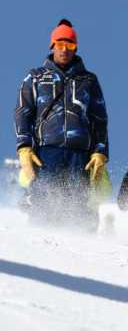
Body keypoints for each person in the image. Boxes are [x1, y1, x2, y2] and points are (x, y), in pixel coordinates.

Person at [14, 19, 108, 231]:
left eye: (70, 44)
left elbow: (100, 119)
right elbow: (22, 112)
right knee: (43, 200)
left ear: (76, 47)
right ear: (52, 45)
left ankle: (84, 242)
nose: (64, 49)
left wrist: (100, 151)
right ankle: (41, 242)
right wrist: (24, 147)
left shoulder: (88, 80)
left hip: (80, 154)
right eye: (60, 44)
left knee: (80, 204)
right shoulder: (36, 77)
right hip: (46, 151)